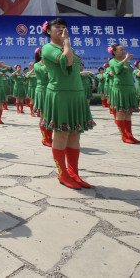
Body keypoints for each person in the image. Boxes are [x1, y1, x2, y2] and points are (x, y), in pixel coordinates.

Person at [41, 18, 95, 189]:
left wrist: (66, 44)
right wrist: (66, 42)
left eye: (64, 27)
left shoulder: (66, 47)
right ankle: (62, 174)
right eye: (57, 27)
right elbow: (68, 62)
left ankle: (74, 173)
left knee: (75, 134)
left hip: (76, 94)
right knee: (62, 134)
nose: (62, 29)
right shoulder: (48, 48)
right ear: (48, 31)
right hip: (59, 94)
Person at [108, 44, 140, 144]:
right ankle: (124, 136)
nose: (123, 51)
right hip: (120, 89)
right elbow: (117, 70)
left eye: (124, 50)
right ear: (114, 52)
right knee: (121, 112)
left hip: (129, 88)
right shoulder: (112, 61)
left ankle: (130, 135)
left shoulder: (128, 62)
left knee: (128, 113)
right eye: (120, 50)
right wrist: (126, 59)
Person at [32, 48, 52, 146]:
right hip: (42, 90)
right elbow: (45, 72)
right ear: (40, 54)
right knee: (44, 115)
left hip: (51, 90)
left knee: (51, 115)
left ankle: (50, 138)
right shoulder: (37, 65)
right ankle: (45, 138)